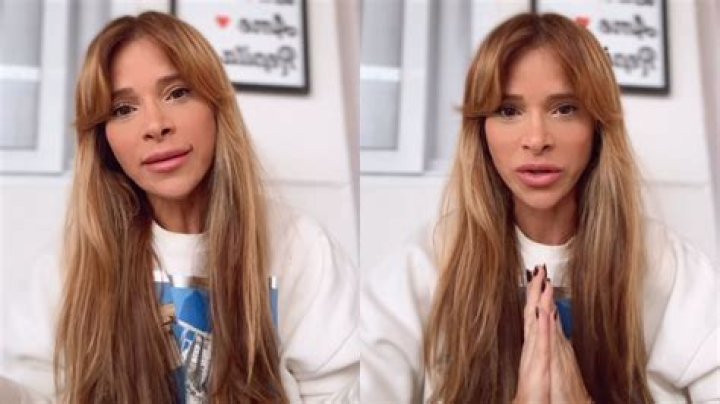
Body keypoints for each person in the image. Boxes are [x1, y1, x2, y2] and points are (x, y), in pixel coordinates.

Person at [361, 12, 718, 403]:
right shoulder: (425, 265)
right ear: (480, 131)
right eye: (508, 111)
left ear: (598, 126)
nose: (536, 139)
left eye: (564, 108)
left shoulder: (665, 264)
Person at [4, 11, 358, 403]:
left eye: (177, 93)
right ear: (104, 141)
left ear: (216, 106)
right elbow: (34, 391)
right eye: (123, 109)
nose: (155, 125)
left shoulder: (300, 246)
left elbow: (339, 390)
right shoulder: (70, 264)